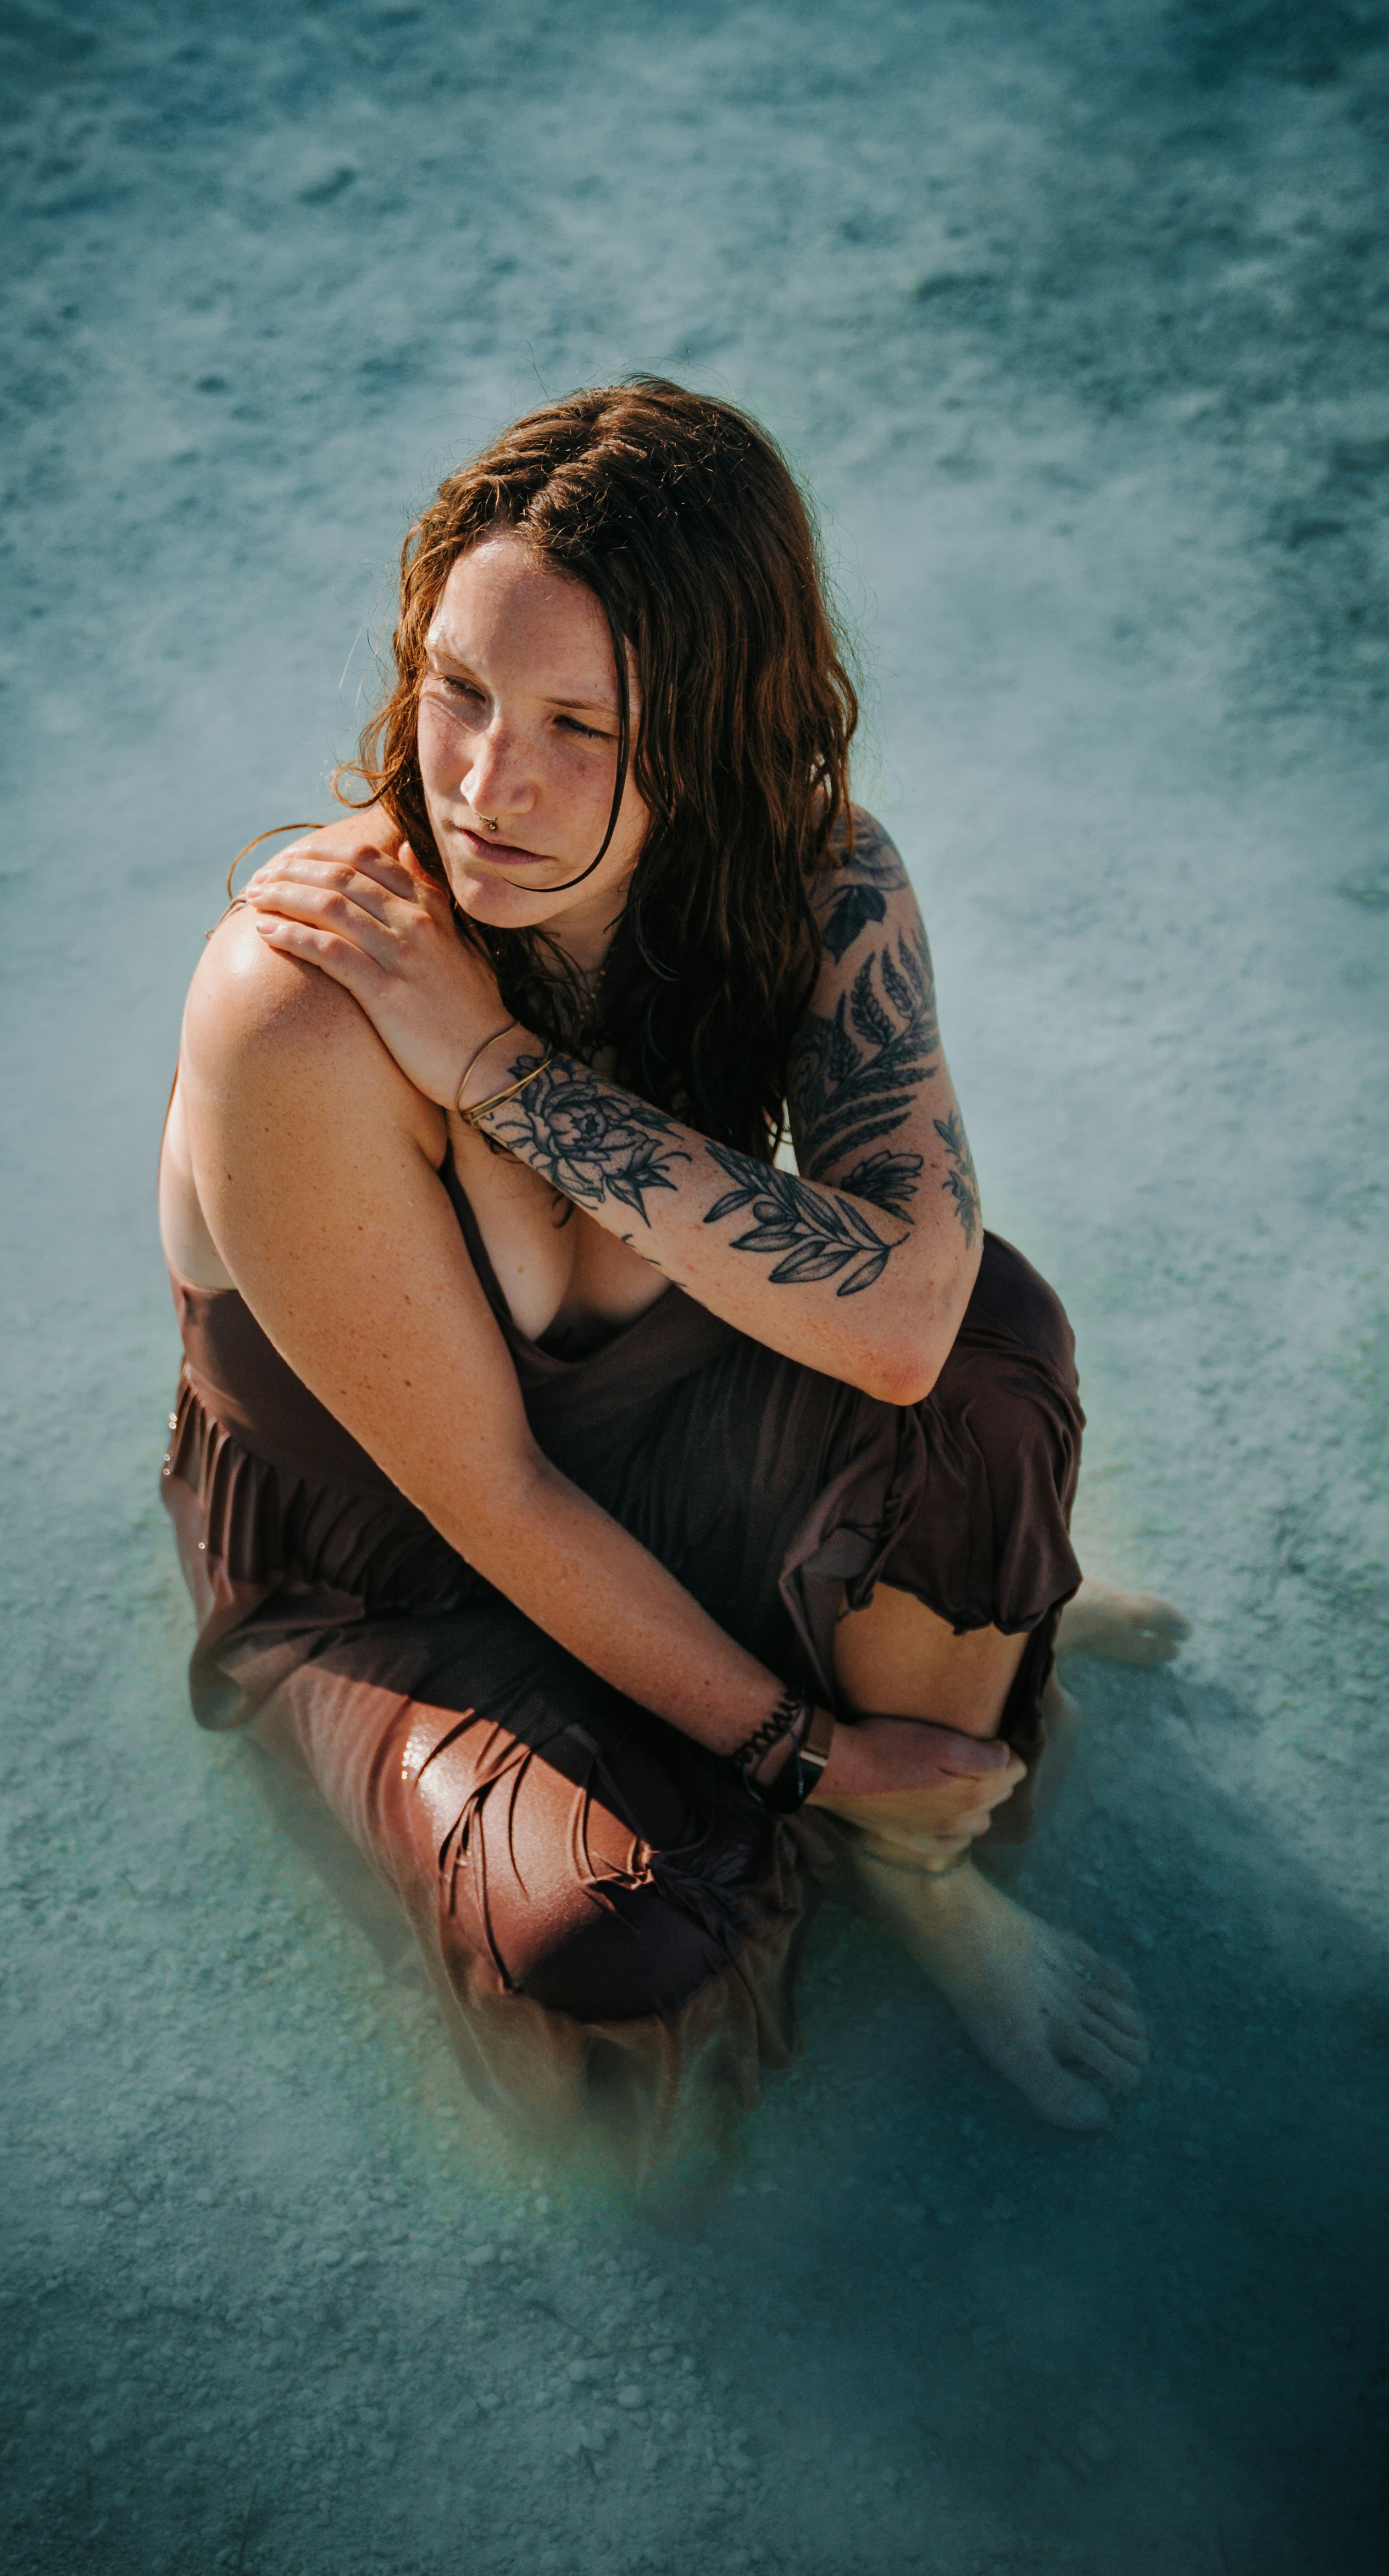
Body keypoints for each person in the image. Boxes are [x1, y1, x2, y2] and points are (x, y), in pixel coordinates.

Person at [157, 377, 1183, 2199]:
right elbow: (490, 1494)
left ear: (708, 742)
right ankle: (872, 1707)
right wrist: (810, 1757)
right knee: (621, 1946)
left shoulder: (814, 878)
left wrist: (493, 1067)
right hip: (402, 1563)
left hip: (655, 1432)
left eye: (579, 726)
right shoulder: (299, 1008)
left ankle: (925, 1873)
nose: (484, 781)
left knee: (990, 1360)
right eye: (458, 690)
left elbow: (902, 1316)